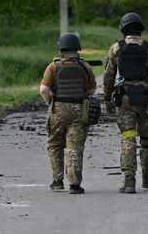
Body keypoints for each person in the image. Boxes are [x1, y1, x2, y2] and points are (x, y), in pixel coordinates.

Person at [103, 13, 148, 194]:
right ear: (141, 29)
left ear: (123, 29)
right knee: (147, 140)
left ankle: (129, 180)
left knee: (128, 137)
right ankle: (147, 176)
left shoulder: (116, 48)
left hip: (125, 100)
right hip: (147, 100)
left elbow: (108, 77)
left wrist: (107, 99)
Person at [40, 32, 96, 194]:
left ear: (61, 49)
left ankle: (57, 181)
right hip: (79, 110)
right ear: (77, 48)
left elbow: (44, 89)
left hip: (58, 110)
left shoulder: (53, 66)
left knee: (55, 144)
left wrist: (50, 102)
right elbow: (92, 89)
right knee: (74, 147)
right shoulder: (85, 66)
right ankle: (74, 183)